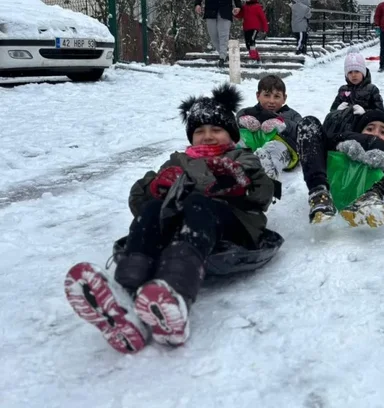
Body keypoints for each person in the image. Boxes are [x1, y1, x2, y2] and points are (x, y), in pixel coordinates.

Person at [64, 83, 274, 353]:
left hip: (232, 224)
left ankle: (176, 293)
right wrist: (154, 188)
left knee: (198, 202)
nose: (208, 136)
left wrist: (239, 183)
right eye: (200, 131)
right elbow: (138, 201)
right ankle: (125, 298)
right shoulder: (178, 161)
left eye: (216, 130)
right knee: (153, 210)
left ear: (231, 134)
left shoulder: (243, 158)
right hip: (180, 226)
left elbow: (263, 194)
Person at [296, 110, 384, 226]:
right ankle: (320, 195)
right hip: (333, 181)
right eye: (370, 128)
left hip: (381, 189)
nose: (375, 134)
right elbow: (316, 149)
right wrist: (340, 145)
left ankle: (373, 198)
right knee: (309, 123)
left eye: (383, 132)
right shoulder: (342, 140)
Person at [236, 75, 302, 190]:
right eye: (267, 95)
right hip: (254, 146)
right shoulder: (250, 112)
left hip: (283, 148)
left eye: (277, 96)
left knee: (274, 148)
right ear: (258, 96)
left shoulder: (291, 114)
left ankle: (268, 171)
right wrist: (243, 120)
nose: (271, 101)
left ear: (284, 98)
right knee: (238, 139)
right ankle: (233, 162)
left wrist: (282, 124)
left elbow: (300, 129)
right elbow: (239, 116)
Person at [330, 48, 384, 113]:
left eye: (357, 71)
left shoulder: (372, 90)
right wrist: (337, 110)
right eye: (350, 72)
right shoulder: (343, 90)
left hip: (365, 122)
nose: (353, 75)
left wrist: (365, 112)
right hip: (346, 122)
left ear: (363, 72)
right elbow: (332, 112)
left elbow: (380, 113)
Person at [195, 0, 243, 67]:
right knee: (213, 36)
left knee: (223, 35)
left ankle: (222, 57)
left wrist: (238, 6)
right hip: (210, 10)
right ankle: (223, 54)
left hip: (225, 10)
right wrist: (197, 4)